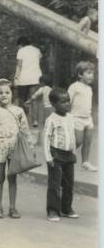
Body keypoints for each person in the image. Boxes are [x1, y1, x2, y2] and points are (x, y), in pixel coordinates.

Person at [0, 79, 31, 219]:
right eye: (0, 93)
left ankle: (12, 207)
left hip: (14, 147)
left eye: (7, 92)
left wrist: (30, 148)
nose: (4, 95)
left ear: (12, 94)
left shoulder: (19, 111)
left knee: (12, 178)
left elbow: (25, 131)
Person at [44, 88, 78, 222]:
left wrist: (73, 152)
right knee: (55, 184)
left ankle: (66, 208)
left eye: (68, 101)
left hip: (69, 154)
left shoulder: (70, 117)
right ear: (53, 104)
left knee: (69, 184)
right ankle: (52, 210)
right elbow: (46, 139)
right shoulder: (51, 119)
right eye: (63, 102)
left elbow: (72, 136)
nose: (67, 104)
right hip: (56, 155)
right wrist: (48, 158)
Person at [68, 61, 97, 172]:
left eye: (92, 74)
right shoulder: (74, 87)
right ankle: (65, 155)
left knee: (88, 141)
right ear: (80, 74)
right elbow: (67, 101)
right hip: (76, 118)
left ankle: (85, 162)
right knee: (78, 141)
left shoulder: (89, 89)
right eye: (89, 73)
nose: (91, 76)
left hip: (88, 119)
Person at [13, 36, 42, 108]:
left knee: (22, 100)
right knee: (34, 100)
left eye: (18, 46)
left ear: (21, 44)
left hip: (23, 78)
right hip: (36, 78)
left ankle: (22, 116)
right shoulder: (37, 50)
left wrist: (16, 77)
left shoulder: (21, 51)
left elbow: (19, 65)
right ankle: (34, 118)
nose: (18, 48)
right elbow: (39, 61)